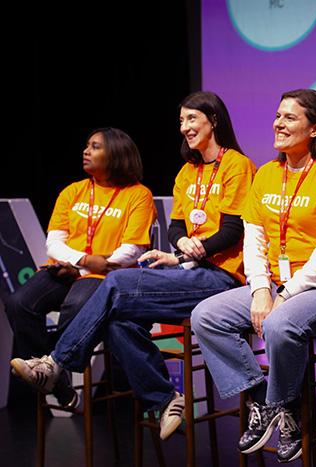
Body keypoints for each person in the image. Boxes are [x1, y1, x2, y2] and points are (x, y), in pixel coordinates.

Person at [10, 91, 256, 441]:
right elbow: (177, 227)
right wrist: (180, 246)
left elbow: (233, 231)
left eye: (192, 119)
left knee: (117, 282)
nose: (184, 127)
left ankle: (54, 364)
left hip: (223, 276)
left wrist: (189, 252)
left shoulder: (237, 166)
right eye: (181, 121)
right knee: (117, 318)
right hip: (189, 269)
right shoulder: (188, 172)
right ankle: (167, 398)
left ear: (214, 121)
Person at [191, 88, 316, 462]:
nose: (278, 123)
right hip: (273, 284)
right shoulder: (268, 174)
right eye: (277, 115)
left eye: (289, 117)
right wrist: (259, 291)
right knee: (206, 316)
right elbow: (253, 241)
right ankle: (265, 399)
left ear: (315, 129)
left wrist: (283, 294)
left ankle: (286, 406)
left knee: (279, 324)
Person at [4, 127, 156, 407]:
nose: (86, 151)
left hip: (106, 275)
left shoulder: (138, 195)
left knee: (75, 307)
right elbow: (54, 243)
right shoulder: (73, 191)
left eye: (95, 147)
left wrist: (83, 270)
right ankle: (56, 382)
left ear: (116, 154)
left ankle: (53, 369)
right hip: (66, 268)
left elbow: (131, 250)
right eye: (87, 145)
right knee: (18, 303)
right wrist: (83, 261)